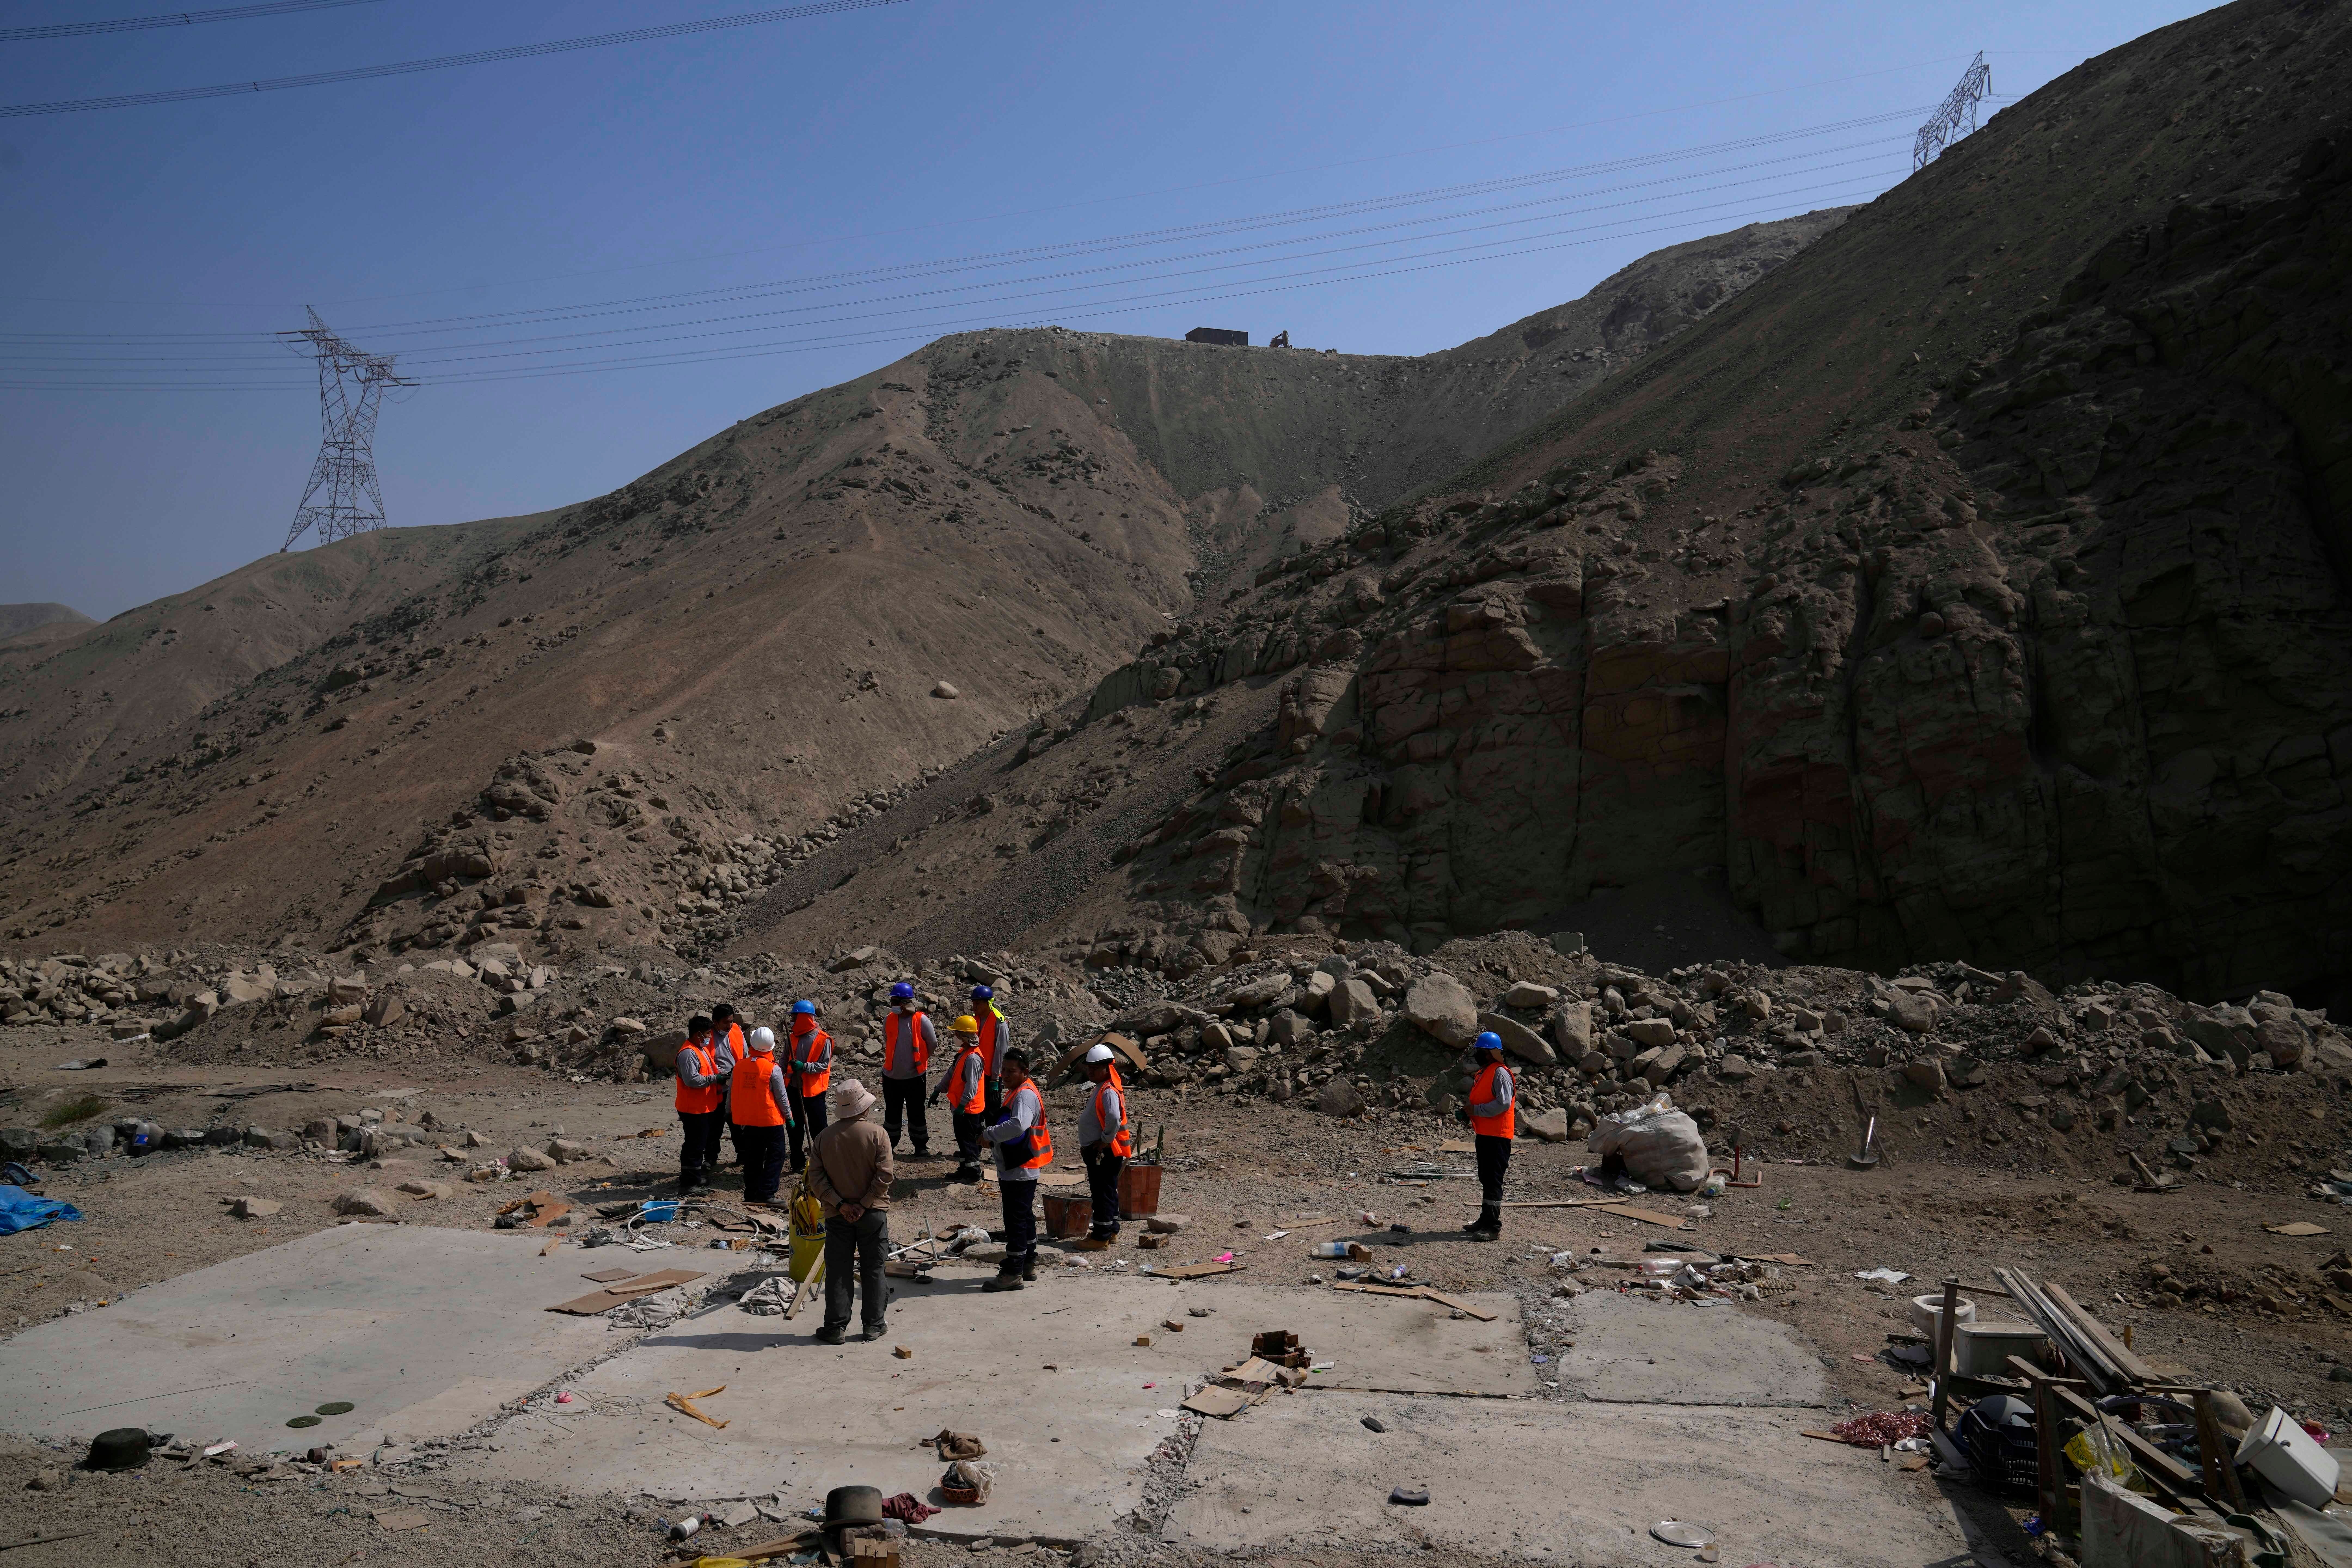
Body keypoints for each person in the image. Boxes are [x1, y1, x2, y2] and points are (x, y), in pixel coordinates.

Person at [806, 1077, 892, 1345]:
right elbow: (885, 1175)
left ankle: (835, 1328)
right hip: (873, 1214)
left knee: (838, 1270)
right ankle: (873, 1325)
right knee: (874, 1268)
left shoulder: (824, 1138)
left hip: (837, 1215)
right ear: (864, 1107)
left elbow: (816, 1180)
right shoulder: (878, 1134)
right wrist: (864, 1204)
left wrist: (842, 1205)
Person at [981, 1047, 1050, 1291]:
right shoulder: (1018, 1092)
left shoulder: (1024, 1095)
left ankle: (1013, 1272)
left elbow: (1018, 1125)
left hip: (1020, 1166)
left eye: (1011, 1071)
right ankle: (1028, 1263)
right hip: (1020, 1164)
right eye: (1004, 1071)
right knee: (1024, 1216)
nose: (1005, 1075)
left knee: (1015, 1220)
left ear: (1025, 1073)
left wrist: (990, 1135)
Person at [1075, 1042, 1130, 1250]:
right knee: (1108, 1190)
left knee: (1102, 1193)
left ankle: (1101, 1237)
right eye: (1089, 1068)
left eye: (1095, 1069)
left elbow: (1114, 1118)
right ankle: (1111, 1230)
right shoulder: (1104, 1087)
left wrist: (1105, 1140)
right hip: (1105, 1150)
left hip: (1105, 1151)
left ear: (1107, 1069)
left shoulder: (1108, 1091)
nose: (1091, 1071)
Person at [1462, 1031, 1516, 1241]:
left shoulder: (1500, 1073)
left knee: (1493, 1181)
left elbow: (1503, 1104)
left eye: (1481, 1052)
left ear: (1491, 1053)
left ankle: (1493, 1227)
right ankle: (1485, 1220)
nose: (1478, 1055)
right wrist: (1469, 1112)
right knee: (1486, 1179)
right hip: (1485, 1134)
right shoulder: (1484, 1073)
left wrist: (1478, 1111)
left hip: (1498, 1137)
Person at [728, 1024, 790, 1205]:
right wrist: (790, 1118)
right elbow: (782, 1097)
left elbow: (731, 1092)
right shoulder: (773, 1069)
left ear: (752, 1045)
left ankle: (751, 1195)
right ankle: (767, 1194)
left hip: (748, 1123)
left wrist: (728, 1112)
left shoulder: (739, 1066)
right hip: (771, 1123)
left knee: (752, 1158)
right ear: (771, 1047)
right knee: (776, 1156)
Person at [878, 982, 936, 1158]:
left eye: (895, 1002)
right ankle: (889, 1147)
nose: (893, 1005)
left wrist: (921, 1061)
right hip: (892, 1077)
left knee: (917, 1112)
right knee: (892, 1114)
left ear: (904, 1003)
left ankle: (920, 1146)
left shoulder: (921, 1020)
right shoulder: (889, 1019)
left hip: (915, 1076)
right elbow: (888, 1039)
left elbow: (932, 1043)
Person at [930, 1015, 989, 1183]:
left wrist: (963, 1105)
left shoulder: (973, 1058)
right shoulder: (964, 1053)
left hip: (968, 1109)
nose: (954, 1037)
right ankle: (965, 1170)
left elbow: (972, 1086)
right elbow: (952, 1074)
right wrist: (938, 1091)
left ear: (965, 1036)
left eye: (957, 1034)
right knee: (964, 1142)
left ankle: (973, 1174)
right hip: (961, 1107)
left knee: (969, 1143)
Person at [673, 1013, 726, 1193]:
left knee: (697, 1143)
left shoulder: (698, 1050)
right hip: (693, 1108)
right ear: (698, 1035)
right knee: (694, 1145)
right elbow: (692, 1080)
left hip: (701, 1107)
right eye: (708, 1034)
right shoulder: (688, 1053)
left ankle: (693, 1177)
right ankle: (689, 1184)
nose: (710, 1037)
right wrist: (715, 1079)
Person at [784, 1000, 833, 1175]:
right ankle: (797, 1163)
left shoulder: (822, 1039)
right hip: (794, 1089)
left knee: (819, 1129)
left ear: (804, 1018)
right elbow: (784, 1062)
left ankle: (824, 1163)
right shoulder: (791, 1038)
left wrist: (804, 1067)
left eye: (795, 1017)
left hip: (814, 1092)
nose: (792, 1020)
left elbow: (824, 1066)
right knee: (795, 1129)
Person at [710, 1002, 748, 1174]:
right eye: (726, 1022)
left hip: (736, 1088)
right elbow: (708, 1064)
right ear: (715, 1022)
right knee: (715, 1127)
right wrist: (727, 1074)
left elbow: (745, 1055)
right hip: (718, 1089)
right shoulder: (708, 1037)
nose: (730, 1025)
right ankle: (711, 1159)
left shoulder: (737, 1032)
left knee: (738, 1125)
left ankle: (743, 1154)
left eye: (731, 1021)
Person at [968, 985, 1013, 1115]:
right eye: (973, 1003)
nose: (974, 1007)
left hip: (990, 1076)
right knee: (976, 1109)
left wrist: (995, 1078)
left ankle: (991, 1134)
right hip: (975, 1072)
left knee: (991, 1112)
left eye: (978, 1003)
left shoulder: (999, 1023)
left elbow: (1001, 1053)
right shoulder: (974, 1019)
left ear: (987, 1003)